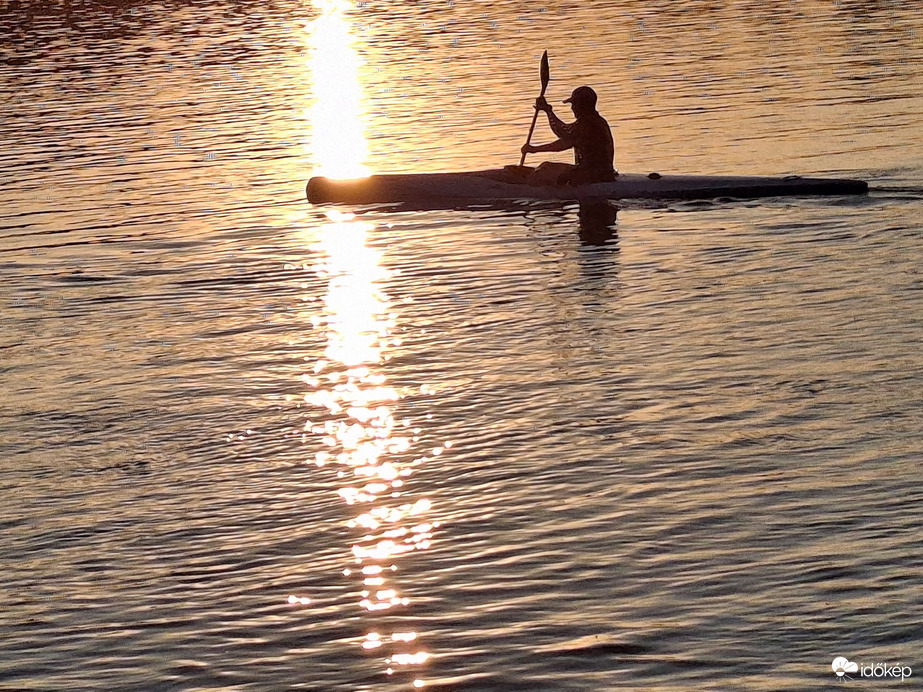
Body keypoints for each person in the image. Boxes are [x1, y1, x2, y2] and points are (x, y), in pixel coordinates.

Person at [520, 85, 616, 186]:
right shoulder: (595, 121)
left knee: (545, 169)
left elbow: (563, 142)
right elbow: (563, 131)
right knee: (546, 166)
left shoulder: (588, 125)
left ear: (582, 105)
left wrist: (534, 149)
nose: (572, 108)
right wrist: (548, 111)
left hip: (594, 175)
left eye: (574, 104)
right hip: (599, 172)